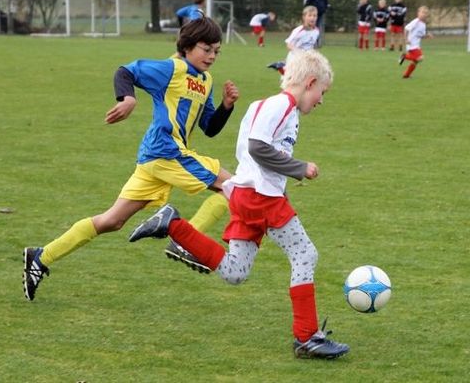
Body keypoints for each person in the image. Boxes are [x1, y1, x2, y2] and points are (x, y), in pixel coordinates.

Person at [129, 50, 350, 360]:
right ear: (310, 82)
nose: (321, 100)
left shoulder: (269, 105)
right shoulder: (282, 105)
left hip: (250, 195)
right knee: (305, 254)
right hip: (260, 198)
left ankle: (172, 223)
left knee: (235, 272)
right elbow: (257, 147)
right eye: (321, 93)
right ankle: (306, 336)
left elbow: (259, 152)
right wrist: (300, 168)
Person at [22, 17, 240, 301]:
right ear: (187, 46)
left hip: (158, 157)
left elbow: (209, 128)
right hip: (166, 152)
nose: (211, 56)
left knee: (112, 221)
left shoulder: (205, 80)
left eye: (216, 51)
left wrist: (226, 106)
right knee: (238, 187)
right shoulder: (171, 68)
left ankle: (41, 256)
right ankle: (185, 241)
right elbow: (126, 71)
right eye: (206, 49)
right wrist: (128, 99)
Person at [267, 5, 319, 75]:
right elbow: (288, 45)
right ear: (304, 17)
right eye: (309, 15)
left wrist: (314, 54)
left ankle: (281, 66)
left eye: (314, 16)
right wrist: (299, 52)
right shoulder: (299, 30)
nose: (312, 18)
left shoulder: (316, 31)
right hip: (295, 58)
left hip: (307, 59)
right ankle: (281, 67)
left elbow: (312, 44)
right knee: (293, 80)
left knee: (310, 78)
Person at [399, 6, 433, 79]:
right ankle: (404, 56)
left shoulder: (423, 24)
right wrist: (406, 39)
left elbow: (421, 36)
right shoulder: (416, 21)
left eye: (425, 13)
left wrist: (427, 36)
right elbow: (406, 29)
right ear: (418, 13)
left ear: (427, 15)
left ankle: (406, 75)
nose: (423, 14)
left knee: (415, 61)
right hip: (411, 45)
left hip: (416, 45)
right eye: (422, 12)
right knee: (420, 58)